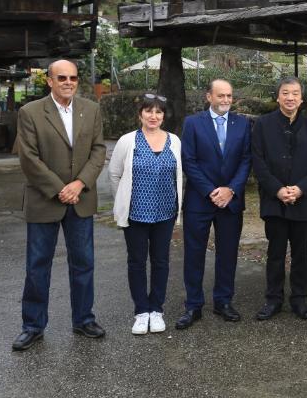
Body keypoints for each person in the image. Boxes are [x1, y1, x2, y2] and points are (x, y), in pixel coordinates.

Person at [12, 59, 107, 351]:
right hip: (44, 200)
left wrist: (79, 184)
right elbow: (28, 157)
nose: (69, 82)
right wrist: (59, 189)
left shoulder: (91, 109)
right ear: (50, 81)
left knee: (84, 264)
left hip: (80, 198)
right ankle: (33, 326)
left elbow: (98, 150)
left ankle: (83, 319)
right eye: (62, 77)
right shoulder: (30, 112)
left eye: (73, 78)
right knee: (37, 266)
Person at [175, 79, 252, 330]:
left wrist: (231, 190)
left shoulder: (242, 124)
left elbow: (246, 160)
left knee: (227, 254)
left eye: (229, 96)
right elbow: (189, 160)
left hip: (230, 201)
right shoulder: (193, 123)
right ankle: (193, 305)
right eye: (221, 96)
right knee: (194, 254)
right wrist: (211, 191)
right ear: (209, 96)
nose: (226, 100)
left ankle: (223, 302)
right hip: (200, 200)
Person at [108, 93, 184, 334]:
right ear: (140, 114)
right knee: (137, 262)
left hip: (165, 212)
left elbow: (179, 175)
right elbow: (114, 174)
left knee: (161, 261)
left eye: (158, 112)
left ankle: (156, 310)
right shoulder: (128, 141)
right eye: (148, 111)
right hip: (135, 213)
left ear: (164, 116)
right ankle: (141, 311)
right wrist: (121, 201)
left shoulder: (174, 141)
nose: (153, 116)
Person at [252, 76, 307, 320]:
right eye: (285, 93)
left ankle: (300, 299)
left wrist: (300, 189)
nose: (290, 97)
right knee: (275, 252)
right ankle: (273, 299)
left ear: (301, 98)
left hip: (302, 200)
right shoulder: (263, 125)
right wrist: (278, 190)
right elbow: (258, 161)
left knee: (301, 252)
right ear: (278, 96)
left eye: (295, 93)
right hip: (274, 200)